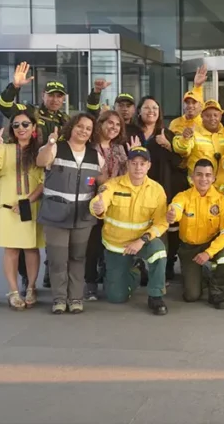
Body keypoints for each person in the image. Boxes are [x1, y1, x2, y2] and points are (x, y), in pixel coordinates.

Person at [0, 62, 103, 289]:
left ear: (63, 98)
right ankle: (28, 279)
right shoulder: (32, 113)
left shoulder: (67, 120)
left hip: (58, 180)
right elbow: (6, 107)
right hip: (32, 173)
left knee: (55, 229)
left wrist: (95, 94)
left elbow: (90, 119)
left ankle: (48, 271)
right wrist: (14, 87)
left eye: (59, 96)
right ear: (43, 95)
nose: (55, 99)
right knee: (27, 231)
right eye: (51, 95)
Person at [89, 146, 169, 316]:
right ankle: (136, 270)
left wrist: (142, 240)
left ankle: (155, 295)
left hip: (142, 242)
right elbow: (100, 200)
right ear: (127, 165)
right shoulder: (113, 185)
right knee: (116, 297)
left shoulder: (156, 190)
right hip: (117, 245)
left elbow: (161, 223)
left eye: (142, 163)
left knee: (159, 252)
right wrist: (98, 207)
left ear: (149, 166)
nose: (138, 167)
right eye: (134, 163)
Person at [36, 113, 103, 314]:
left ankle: (75, 298)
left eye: (88, 128)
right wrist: (49, 144)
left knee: (78, 258)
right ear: (71, 127)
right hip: (55, 215)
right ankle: (59, 299)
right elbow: (41, 161)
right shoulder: (56, 148)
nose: (83, 131)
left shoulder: (95, 155)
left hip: (82, 217)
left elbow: (103, 183)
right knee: (58, 258)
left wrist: (102, 195)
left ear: (92, 133)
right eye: (80, 126)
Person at [0, 110, 44, 310]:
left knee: (31, 247)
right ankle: (14, 291)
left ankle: (31, 287)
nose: (21, 128)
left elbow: (45, 180)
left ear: (33, 127)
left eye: (25, 124)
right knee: (11, 249)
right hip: (7, 205)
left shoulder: (41, 151)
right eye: (16, 125)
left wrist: (28, 199)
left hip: (31, 203)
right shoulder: (5, 148)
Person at [167, 159, 224, 309]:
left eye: (207, 175)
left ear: (213, 178)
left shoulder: (221, 200)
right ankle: (203, 275)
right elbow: (176, 208)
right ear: (192, 177)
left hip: (211, 244)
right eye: (199, 175)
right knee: (191, 296)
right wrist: (172, 214)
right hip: (189, 248)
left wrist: (208, 253)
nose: (203, 179)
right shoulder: (183, 196)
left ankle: (216, 291)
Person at [135, 96, 186, 282]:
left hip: (162, 191)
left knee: (164, 230)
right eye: (147, 108)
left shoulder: (167, 133)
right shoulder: (131, 133)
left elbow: (180, 164)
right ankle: (137, 266)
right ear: (139, 111)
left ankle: (166, 265)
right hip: (136, 191)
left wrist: (169, 146)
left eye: (155, 108)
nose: (151, 111)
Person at [84, 110, 128, 301]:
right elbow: (89, 176)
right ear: (100, 124)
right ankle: (90, 284)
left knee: (109, 242)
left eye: (117, 125)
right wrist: (101, 181)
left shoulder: (119, 149)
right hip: (91, 200)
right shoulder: (88, 147)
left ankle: (108, 279)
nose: (113, 128)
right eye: (110, 123)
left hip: (115, 202)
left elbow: (127, 173)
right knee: (92, 245)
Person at [173, 99, 224, 195]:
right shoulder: (194, 134)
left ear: (221, 116)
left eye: (215, 115)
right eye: (208, 115)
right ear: (201, 116)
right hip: (198, 193)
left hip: (223, 195)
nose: (212, 118)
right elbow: (182, 150)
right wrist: (185, 138)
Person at [169, 65, 207, 135]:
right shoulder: (175, 123)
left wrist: (197, 86)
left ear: (200, 106)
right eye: (187, 102)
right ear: (183, 105)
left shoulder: (205, 124)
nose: (190, 105)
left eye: (194, 102)